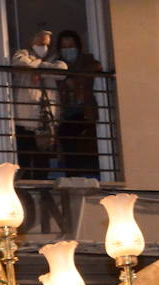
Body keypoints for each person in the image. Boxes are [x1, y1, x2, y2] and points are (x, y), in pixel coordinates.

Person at [11, 28, 67, 180]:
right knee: (25, 160)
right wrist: (39, 67)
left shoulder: (54, 58)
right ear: (32, 42)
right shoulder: (22, 53)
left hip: (45, 121)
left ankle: (42, 191)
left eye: (47, 44)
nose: (44, 47)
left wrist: (38, 70)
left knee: (43, 161)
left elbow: (62, 70)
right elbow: (21, 64)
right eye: (41, 43)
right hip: (24, 119)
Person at [55, 30, 102, 178]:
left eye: (71, 45)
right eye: (64, 46)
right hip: (64, 112)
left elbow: (97, 67)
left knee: (79, 141)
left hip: (84, 111)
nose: (68, 49)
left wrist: (74, 79)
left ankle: (79, 174)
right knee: (66, 139)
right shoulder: (58, 64)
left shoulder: (86, 60)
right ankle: (72, 174)